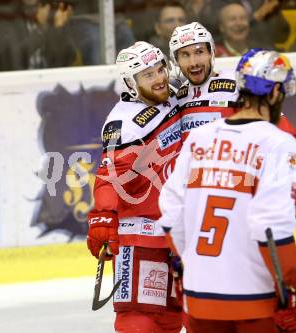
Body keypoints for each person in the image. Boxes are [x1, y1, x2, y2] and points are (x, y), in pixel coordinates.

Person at [159, 48, 296, 333]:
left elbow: (170, 210)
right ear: (275, 92)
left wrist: (188, 265)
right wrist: (289, 282)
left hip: (199, 297)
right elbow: (270, 225)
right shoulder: (278, 142)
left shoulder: (201, 137)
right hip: (254, 298)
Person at [169, 21, 296, 223]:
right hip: (199, 204)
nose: (193, 62)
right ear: (176, 60)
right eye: (185, 55)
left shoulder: (237, 85)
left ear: (211, 53)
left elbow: (280, 130)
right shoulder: (176, 99)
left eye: (199, 52)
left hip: (243, 199)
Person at [86, 41, 182, 333]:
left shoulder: (176, 96)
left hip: (181, 234)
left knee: (172, 319)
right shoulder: (124, 123)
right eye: (148, 75)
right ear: (131, 82)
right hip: (140, 238)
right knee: (139, 321)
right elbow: (109, 176)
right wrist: (104, 216)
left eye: (160, 69)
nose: (159, 78)